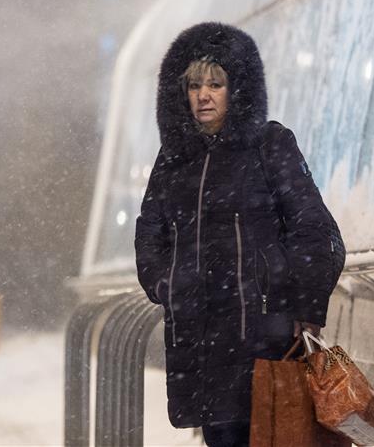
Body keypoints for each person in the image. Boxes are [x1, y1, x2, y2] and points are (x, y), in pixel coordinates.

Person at [134, 23, 345, 447]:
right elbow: (149, 233)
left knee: (275, 434)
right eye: (194, 85)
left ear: (238, 89)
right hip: (200, 343)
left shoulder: (269, 144)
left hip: (266, 341)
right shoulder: (173, 160)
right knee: (221, 437)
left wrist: (299, 307)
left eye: (216, 83)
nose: (203, 95)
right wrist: (168, 283)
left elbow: (317, 233)